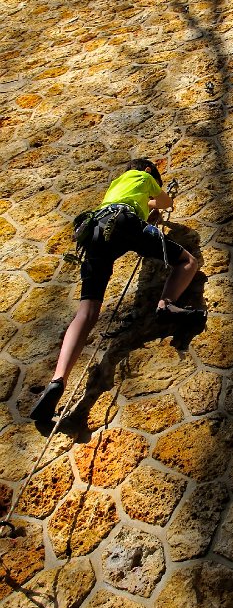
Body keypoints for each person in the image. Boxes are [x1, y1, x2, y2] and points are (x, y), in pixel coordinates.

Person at [30, 158, 205, 424]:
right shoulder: (142, 176)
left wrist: (147, 212)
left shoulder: (115, 186)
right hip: (122, 221)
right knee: (188, 262)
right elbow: (166, 203)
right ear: (148, 172)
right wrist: (158, 205)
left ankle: (58, 379)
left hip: (95, 231)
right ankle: (166, 303)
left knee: (86, 312)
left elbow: (141, 206)